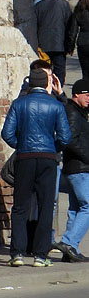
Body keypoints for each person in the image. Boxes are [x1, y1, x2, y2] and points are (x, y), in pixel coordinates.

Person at [1, 67, 71, 267]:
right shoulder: (56, 105)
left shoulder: (19, 103)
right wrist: (52, 148)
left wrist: (21, 145)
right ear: (45, 84)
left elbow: (7, 133)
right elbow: (65, 137)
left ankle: (17, 253)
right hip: (48, 159)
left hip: (25, 157)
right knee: (46, 206)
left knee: (21, 206)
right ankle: (41, 255)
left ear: (30, 83)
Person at [56, 78, 89, 262]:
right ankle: (69, 242)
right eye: (86, 94)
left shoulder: (79, 111)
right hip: (79, 168)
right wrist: (87, 157)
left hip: (75, 168)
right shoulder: (73, 113)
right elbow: (69, 140)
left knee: (75, 209)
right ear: (76, 94)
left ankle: (70, 251)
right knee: (88, 206)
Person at [35, 0, 75, 84]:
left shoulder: (38, 6)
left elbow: (34, 25)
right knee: (59, 71)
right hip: (59, 43)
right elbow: (70, 26)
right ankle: (58, 91)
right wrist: (70, 44)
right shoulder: (64, 5)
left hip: (42, 44)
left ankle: (45, 89)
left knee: (43, 70)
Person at [73, 0, 89, 80]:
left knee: (85, 71)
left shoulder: (79, 11)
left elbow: (73, 30)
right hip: (83, 40)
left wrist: (70, 45)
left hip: (83, 42)